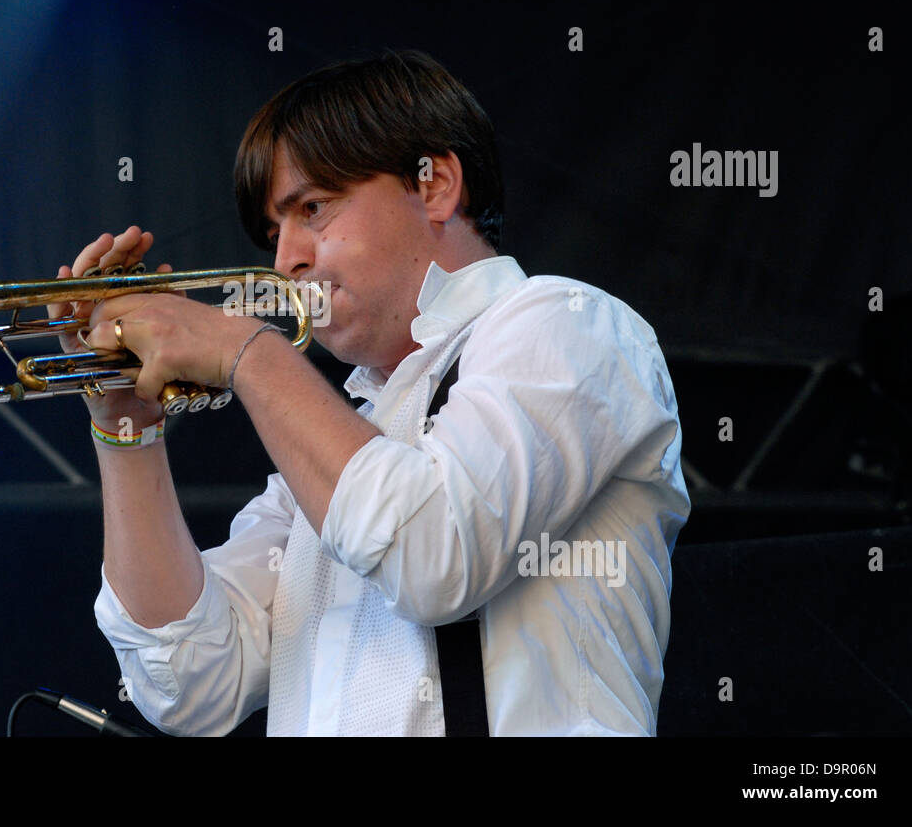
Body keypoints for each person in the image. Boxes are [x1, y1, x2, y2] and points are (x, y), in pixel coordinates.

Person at [52, 49, 691, 736]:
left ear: (436, 186)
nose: (284, 260)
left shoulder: (569, 323)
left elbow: (434, 555)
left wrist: (248, 352)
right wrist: (126, 426)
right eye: (273, 232)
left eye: (313, 208)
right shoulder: (331, 462)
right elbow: (190, 682)